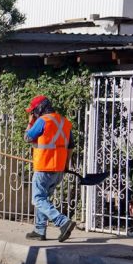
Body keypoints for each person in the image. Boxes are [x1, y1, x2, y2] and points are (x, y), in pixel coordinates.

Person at [24, 95, 76, 242]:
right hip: (58, 169)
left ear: (40, 108)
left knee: (38, 199)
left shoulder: (42, 121)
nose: (33, 114)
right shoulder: (64, 122)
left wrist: (30, 123)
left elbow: (27, 137)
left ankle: (62, 222)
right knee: (44, 198)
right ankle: (39, 230)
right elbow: (71, 146)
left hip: (44, 168)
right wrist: (66, 164)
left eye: (33, 111)